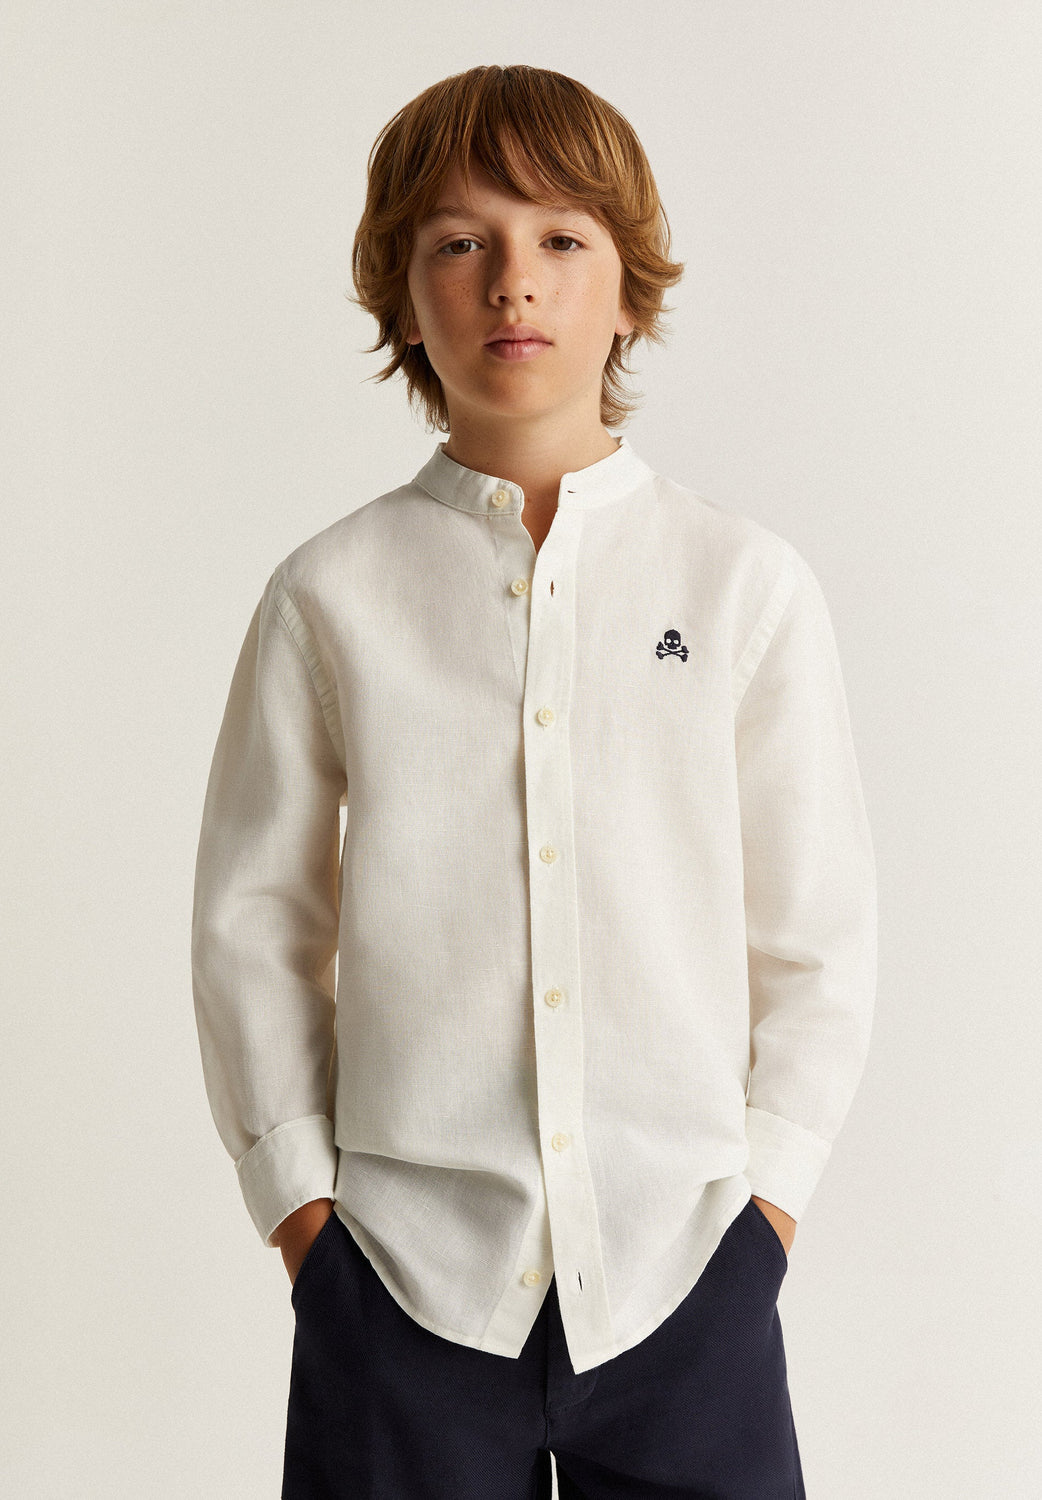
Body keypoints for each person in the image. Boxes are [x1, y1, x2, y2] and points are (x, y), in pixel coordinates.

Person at [191, 63, 877, 1499]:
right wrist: (305, 1220)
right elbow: (253, 927)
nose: (513, 281)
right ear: (402, 297)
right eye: (461, 242)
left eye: (561, 238)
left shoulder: (739, 585)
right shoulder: (329, 597)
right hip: (401, 1284)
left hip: (686, 1276)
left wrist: (764, 1215)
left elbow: (814, 933)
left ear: (630, 290)